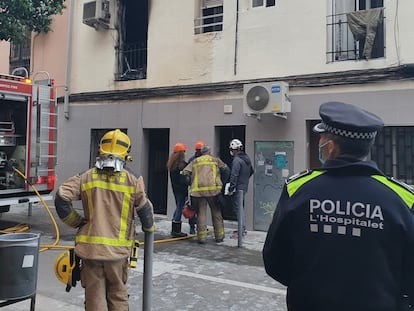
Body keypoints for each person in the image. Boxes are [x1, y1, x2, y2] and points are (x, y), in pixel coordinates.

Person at [262, 101, 414, 311]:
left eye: (322, 138)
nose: (320, 143)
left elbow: (274, 260)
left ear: (330, 146)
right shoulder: (403, 199)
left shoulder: (298, 189)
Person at [54, 129, 154, 311]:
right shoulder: (133, 180)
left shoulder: (86, 176)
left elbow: (61, 197)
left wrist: (76, 222)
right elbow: (145, 210)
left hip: (90, 250)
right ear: (126, 154)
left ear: (101, 149)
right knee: (117, 294)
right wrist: (150, 229)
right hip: (118, 252)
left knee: (94, 298)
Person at [182, 144, 230, 244]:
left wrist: (190, 182)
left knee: (201, 214)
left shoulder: (195, 161)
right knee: (216, 212)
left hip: (198, 192)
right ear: (209, 152)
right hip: (213, 191)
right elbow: (226, 170)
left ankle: (201, 237)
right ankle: (219, 236)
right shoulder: (215, 160)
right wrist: (222, 182)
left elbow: (185, 173)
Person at [166, 142, 196, 237]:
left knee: (178, 207)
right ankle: (176, 230)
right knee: (179, 208)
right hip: (182, 190)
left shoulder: (172, 164)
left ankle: (175, 228)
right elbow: (184, 179)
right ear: (181, 153)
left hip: (176, 189)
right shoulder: (182, 165)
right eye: (184, 152)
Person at [226, 138, 254, 239]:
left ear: (234, 149)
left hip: (238, 188)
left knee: (238, 209)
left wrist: (231, 188)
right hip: (244, 186)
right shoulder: (247, 158)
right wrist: (244, 180)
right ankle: (242, 228)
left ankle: (241, 230)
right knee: (240, 208)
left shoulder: (237, 160)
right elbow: (251, 171)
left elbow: (234, 175)